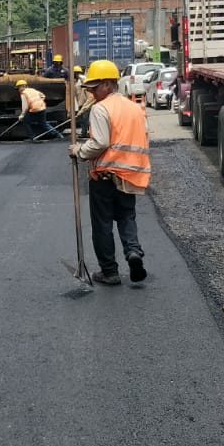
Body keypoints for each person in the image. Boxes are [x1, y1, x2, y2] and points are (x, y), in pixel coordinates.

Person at [69, 59, 151, 287]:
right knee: (126, 217)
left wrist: (79, 151)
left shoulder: (101, 108)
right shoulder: (134, 108)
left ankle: (109, 271)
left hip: (105, 176)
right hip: (129, 175)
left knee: (103, 223)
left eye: (94, 88)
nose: (92, 93)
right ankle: (133, 252)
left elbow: (100, 142)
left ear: (107, 84)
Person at [72, 65, 92, 138]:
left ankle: (84, 133)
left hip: (86, 103)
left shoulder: (83, 81)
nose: (76, 74)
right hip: (80, 102)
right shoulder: (74, 81)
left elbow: (89, 96)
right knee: (83, 119)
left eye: (77, 73)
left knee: (85, 119)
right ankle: (86, 133)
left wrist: (86, 105)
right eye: (75, 73)